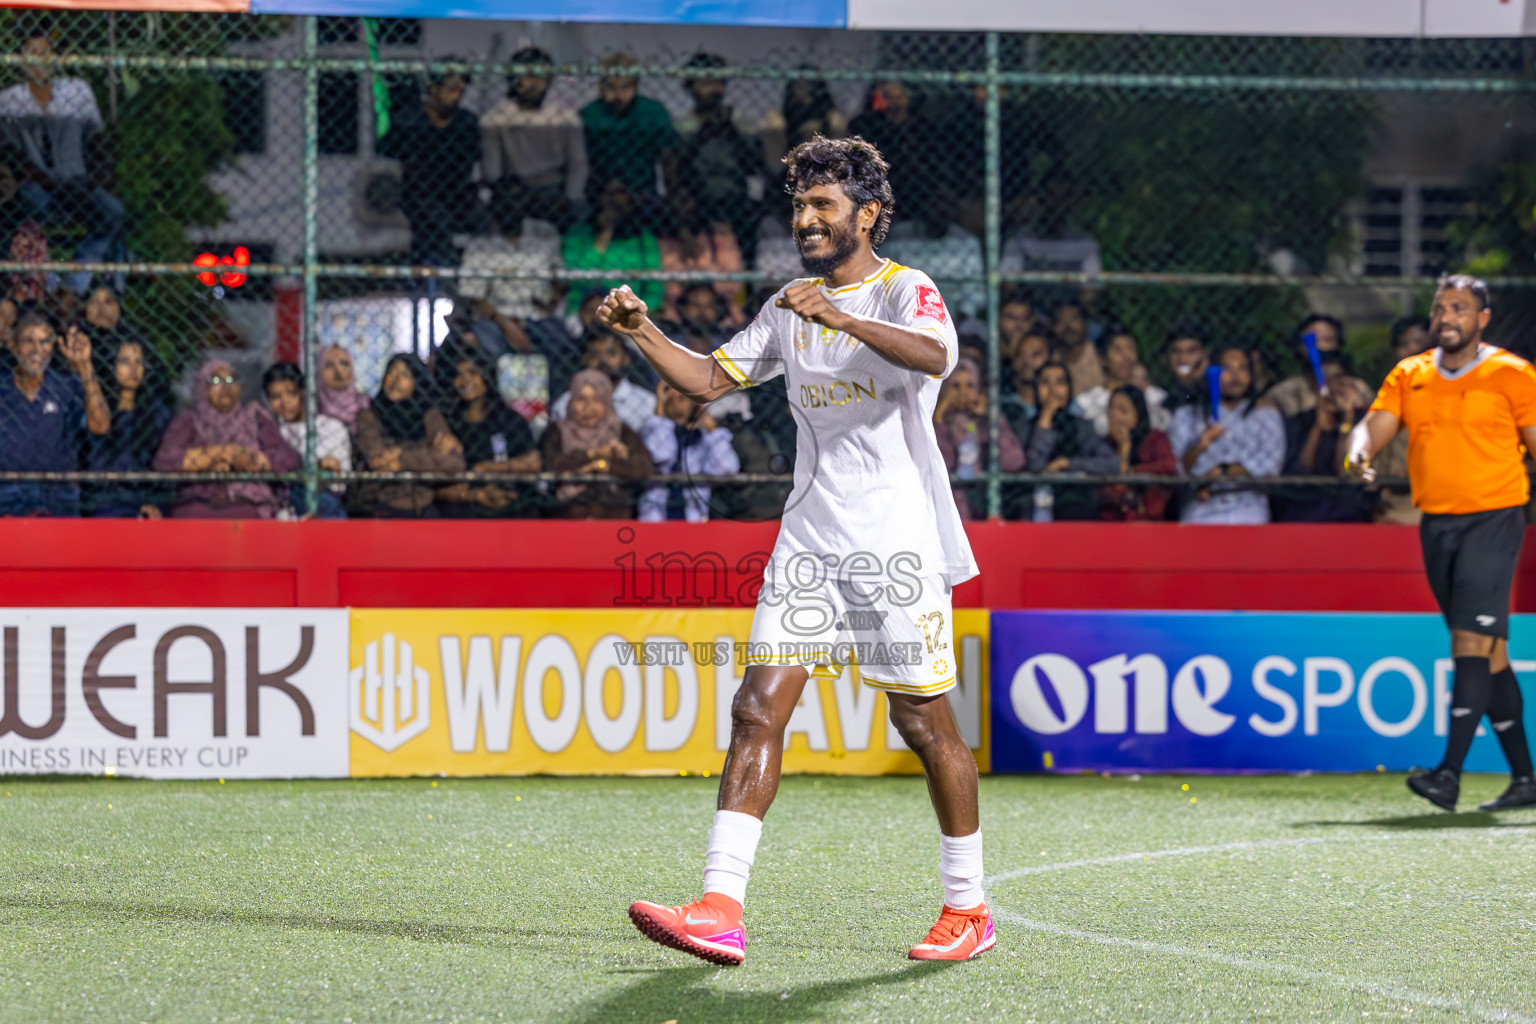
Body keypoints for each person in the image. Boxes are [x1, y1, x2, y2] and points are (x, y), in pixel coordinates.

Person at [596, 136, 992, 963]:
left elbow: (939, 358)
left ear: (868, 215)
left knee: (923, 723)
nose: (804, 219)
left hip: (897, 539)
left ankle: (969, 908)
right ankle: (719, 906)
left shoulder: (906, 290)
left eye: (822, 206)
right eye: (799, 205)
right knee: (755, 707)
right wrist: (642, 331)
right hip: (811, 534)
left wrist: (843, 316)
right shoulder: (789, 303)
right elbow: (707, 380)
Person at [1347, 274, 1536, 813]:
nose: (1447, 316)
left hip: (1494, 520)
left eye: (1460, 307)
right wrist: (1358, 453)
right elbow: (1373, 426)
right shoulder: (1411, 374)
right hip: (1438, 525)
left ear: (1483, 319)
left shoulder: (1513, 374)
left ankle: (1448, 773)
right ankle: (1526, 777)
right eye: (1440, 307)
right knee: (1491, 653)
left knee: (1470, 645)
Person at [0, 29, 124, 295]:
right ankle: (46, 282)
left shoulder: (77, 92)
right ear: (19, 60)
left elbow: (96, 142)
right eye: (31, 53)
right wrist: (47, 182)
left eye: (44, 52)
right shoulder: (9, 100)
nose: (38, 60)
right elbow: (13, 155)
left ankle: (75, 284)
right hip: (36, 185)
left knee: (113, 212)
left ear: (55, 57)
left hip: (75, 182)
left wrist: (96, 182)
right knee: (29, 205)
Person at [376, 62, 491, 267]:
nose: (457, 97)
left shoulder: (466, 122)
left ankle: (481, 271)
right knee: (436, 225)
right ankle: (451, 279)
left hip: (458, 193)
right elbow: (389, 149)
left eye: (461, 91)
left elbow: (475, 159)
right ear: (433, 89)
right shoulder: (411, 121)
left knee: (487, 223)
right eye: (451, 90)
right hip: (421, 194)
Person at [153, 358, 298, 519]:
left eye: (230, 379)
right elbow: (165, 460)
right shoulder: (189, 420)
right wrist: (219, 455)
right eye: (215, 380)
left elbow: (287, 459)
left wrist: (248, 459)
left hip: (248, 500)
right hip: (198, 501)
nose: (225, 386)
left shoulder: (254, 417)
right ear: (202, 386)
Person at [0, 311, 107, 515]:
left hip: (58, 496)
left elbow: (100, 426)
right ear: (14, 347)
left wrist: (85, 366)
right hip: (7, 496)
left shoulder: (66, 387)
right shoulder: (2, 390)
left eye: (43, 342)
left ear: (52, 347)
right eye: (28, 342)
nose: (36, 350)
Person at [1168, 344, 1285, 524]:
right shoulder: (1186, 416)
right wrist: (1201, 445)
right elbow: (1175, 468)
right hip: (1201, 509)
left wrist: (1224, 471)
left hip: (1249, 509)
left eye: (1242, 368)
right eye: (1226, 369)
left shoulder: (1266, 415)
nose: (1236, 377)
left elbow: (1270, 466)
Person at [479, 46, 588, 228]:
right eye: (527, 75)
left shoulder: (566, 118)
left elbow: (578, 165)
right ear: (514, 79)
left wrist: (569, 197)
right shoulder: (495, 119)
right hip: (513, 191)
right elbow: (492, 172)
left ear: (549, 79)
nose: (534, 83)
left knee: (581, 209)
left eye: (540, 76)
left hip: (555, 190)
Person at [673, 52, 762, 259]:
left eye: (718, 82)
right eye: (705, 83)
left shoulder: (740, 122)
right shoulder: (683, 127)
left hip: (735, 198)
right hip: (698, 200)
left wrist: (731, 130)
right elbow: (676, 168)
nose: (713, 90)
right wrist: (703, 132)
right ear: (691, 86)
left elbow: (755, 165)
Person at [353, 354, 464, 517]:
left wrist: (401, 459)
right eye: (390, 374)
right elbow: (379, 461)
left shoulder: (430, 417)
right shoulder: (369, 416)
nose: (396, 381)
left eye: (405, 375)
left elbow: (454, 462)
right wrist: (429, 453)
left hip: (423, 504)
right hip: (382, 501)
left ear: (417, 382)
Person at [438, 347, 540, 517]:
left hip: (507, 493)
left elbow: (533, 462)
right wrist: (476, 495)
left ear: (486, 377)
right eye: (459, 375)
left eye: (473, 373)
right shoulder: (449, 421)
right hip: (465, 500)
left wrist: (486, 468)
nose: (465, 381)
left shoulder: (508, 418)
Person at [541, 367, 652, 519]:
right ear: (571, 401)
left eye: (597, 400)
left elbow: (643, 467)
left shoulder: (620, 430)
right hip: (567, 515)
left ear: (607, 402)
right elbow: (553, 464)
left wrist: (605, 466)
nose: (589, 408)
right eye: (581, 400)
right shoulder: (557, 431)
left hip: (612, 514)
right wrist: (596, 454)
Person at [1273, 353, 1372, 523]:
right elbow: (1302, 469)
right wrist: (1317, 427)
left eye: (1338, 378)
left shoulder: (1362, 420)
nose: (1332, 387)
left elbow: (1347, 471)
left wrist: (1346, 420)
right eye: (1324, 379)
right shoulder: (1300, 420)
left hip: (1347, 509)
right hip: (1304, 507)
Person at [83, 330, 171, 517]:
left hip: (143, 500)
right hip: (103, 500)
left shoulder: (158, 413)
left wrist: (157, 505)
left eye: (138, 362)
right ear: (112, 366)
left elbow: (165, 467)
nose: (133, 369)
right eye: (124, 361)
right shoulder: (97, 407)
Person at [579, 54, 678, 221]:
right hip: (600, 192)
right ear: (601, 86)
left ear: (635, 85)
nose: (618, 94)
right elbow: (582, 163)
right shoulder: (589, 114)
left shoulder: (652, 112)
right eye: (611, 87)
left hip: (643, 190)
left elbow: (667, 157)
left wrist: (672, 194)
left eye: (625, 87)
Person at [1018, 361, 1118, 520]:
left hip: (1076, 503)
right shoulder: (1024, 427)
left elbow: (1112, 463)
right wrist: (1045, 419)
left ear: (1069, 389)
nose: (1052, 391)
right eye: (1045, 383)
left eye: (1059, 383)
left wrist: (1069, 464)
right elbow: (1035, 466)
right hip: (1034, 505)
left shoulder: (1083, 427)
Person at [933, 356, 1024, 520]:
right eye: (955, 386)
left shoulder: (987, 422)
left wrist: (991, 418)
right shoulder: (937, 423)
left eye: (970, 386)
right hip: (949, 503)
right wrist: (939, 417)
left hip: (987, 501)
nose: (963, 393)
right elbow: (939, 466)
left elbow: (1014, 462)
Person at [639, 380, 739, 522]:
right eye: (670, 399)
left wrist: (711, 428)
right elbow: (661, 454)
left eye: (683, 399)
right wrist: (660, 410)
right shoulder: (653, 430)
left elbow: (727, 468)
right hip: (655, 516)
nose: (677, 406)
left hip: (693, 519)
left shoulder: (703, 439)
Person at [262, 361, 350, 519]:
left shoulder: (331, 427)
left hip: (323, 497)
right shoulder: (273, 433)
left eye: (291, 393)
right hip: (286, 501)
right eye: (276, 397)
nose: (285, 403)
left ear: (302, 393)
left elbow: (339, 483)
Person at [563, 178, 663, 315]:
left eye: (619, 193)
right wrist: (604, 233)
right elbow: (580, 273)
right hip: (585, 307)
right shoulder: (578, 233)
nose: (613, 199)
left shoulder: (643, 239)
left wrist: (642, 311)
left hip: (629, 310)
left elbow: (654, 284)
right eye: (608, 193)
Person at [1264, 314, 1373, 417]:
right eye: (1312, 341)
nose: (1319, 346)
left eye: (1327, 340)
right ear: (1299, 346)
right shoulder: (1283, 392)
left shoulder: (1356, 386)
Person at [549, 331, 655, 431]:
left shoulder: (647, 402)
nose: (603, 360)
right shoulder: (565, 404)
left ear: (626, 359)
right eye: (594, 354)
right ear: (584, 360)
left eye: (611, 352)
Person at [1098, 385, 1176, 521]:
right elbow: (1117, 490)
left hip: (1149, 522)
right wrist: (1124, 447)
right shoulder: (1101, 445)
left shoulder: (1155, 438)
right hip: (1112, 525)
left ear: (1138, 415)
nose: (1115, 416)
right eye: (1111, 410)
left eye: (1123, 411)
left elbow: (1169, 466)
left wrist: (1134, 471)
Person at [1072, 329, 1169, 436]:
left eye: (1130, 348)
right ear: (1102, 359)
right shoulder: (1085, 403)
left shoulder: (1156, 397)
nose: (1127, 356)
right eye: (1118, 350)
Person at [316, 344, 370, 431]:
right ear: (319, 370)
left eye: (344, 363)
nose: (338, 370)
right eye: (329, 365)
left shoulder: (365, 404)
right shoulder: (312, 408)